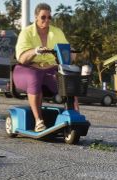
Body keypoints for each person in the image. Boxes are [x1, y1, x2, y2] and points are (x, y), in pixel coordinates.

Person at [13, 3, 78, 132]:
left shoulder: (57, 32)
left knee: (69, 82)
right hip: (26, 69)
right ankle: (38, 121)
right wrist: (35, 51)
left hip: (50, 69)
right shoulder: (26, 33)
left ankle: (75, 118)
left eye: (49, 17)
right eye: (43, 17)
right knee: (34, 76)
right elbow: (22, 59)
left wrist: (71, 53)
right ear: (36, 17)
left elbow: (66, 53)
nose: (46, 20)